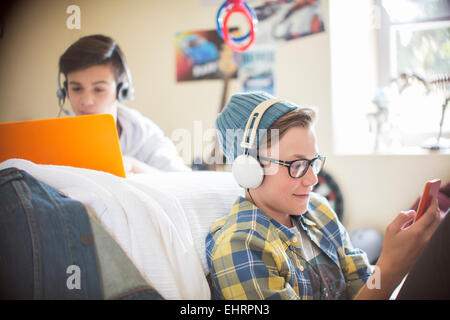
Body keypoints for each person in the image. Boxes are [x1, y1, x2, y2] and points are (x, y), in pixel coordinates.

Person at [206, 91, 444, 300]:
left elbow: (365, 287)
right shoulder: (240, 246)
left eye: (314, 163)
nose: (313, 180)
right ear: (249, 169)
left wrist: (392, 267)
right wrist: (391, 265)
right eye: (297, 165)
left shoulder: (318, 210)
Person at [57, 34, 190, 174]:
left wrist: (132, 165)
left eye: (99, 89)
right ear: (65, 91)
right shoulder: (56, 139)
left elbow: (183, 180)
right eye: (76, 89)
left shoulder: (145, 135)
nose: (86, 101)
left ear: (121, 91)